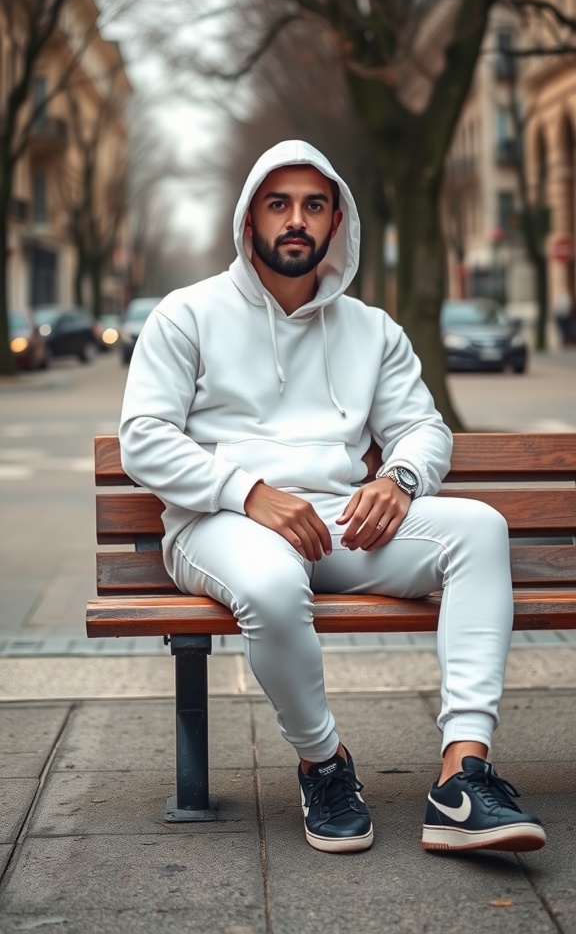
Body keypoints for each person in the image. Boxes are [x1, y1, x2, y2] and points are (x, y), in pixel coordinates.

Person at [120, 140, 546, 856]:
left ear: (336, 220)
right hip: (219, 523)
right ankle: (324, 765)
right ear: (248, 216)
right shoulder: (185, 315)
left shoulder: (371, 329)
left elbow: (421, 429)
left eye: (313, 205)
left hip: (336, 521)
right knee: (270, 581)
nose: (296, 220)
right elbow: (144, 438)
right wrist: (248, 492)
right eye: (278, 203)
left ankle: (463, 774)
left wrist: (397, 478)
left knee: (478, 529)